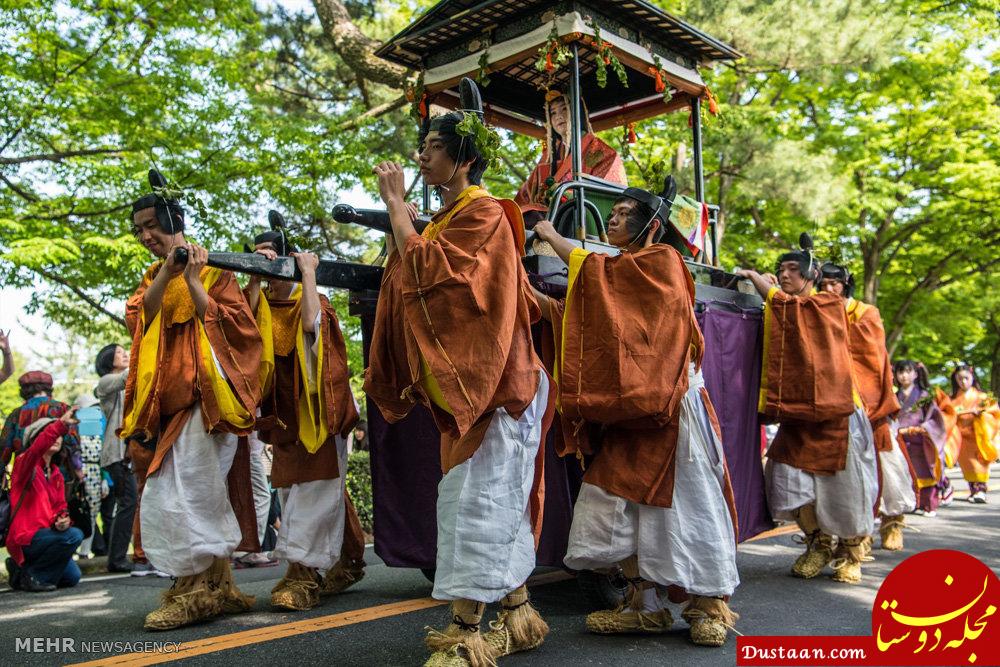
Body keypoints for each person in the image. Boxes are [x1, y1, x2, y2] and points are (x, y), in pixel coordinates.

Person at [365, 78, 552, 667]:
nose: (420, 157)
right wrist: (410, 225)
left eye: (431, 148)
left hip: (497, 382)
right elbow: (412, 276)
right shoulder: (448, 220)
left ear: (463, 158)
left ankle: (469, 629)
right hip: (472, 386)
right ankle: (519, 614)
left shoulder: (490, 213)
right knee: (488, 499)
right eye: (420, 148)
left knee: (479, 501)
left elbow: (446, 288)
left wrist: (398, 211)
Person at [531, 187, 740, 647]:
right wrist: (541, 304)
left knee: (690, 508)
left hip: (674, 409)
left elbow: (599, 272)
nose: (614, 219)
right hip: (634, 417)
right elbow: (597, 316)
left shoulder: (662, 261)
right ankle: (642, 606)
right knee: (611, 507)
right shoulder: (624, 269)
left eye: (625, 214)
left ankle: (709, 606)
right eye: (614, 212)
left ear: (651, 226)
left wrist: (549, 233)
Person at [120, 170, 263, 630]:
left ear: (173, 220)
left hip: (209, 405)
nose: (145, 236)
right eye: (138, 229)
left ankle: (194, 592)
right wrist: (170, 271)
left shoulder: (217, 271)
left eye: (151, 226)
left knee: (191, 496)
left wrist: (196, 279)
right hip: (171, 407)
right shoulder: (152, 277)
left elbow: (238, 328)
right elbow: (143, 319)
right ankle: (215, 586)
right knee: (183, 495)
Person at [737, 240, 877, 584]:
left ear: (811, 275)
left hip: (838, 413)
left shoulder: (828, 303)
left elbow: (793, 310)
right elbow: (783, 312)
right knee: (786, 478)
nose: (784, 276)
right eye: (781, 271)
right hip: (798, 413)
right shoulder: (786, 306)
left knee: (844, 488)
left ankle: (851, 552)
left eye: (793, 271)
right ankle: (818, 543)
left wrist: (763, 285)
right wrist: (767, 294)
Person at [243, 227, 362, 611]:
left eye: (271, 256)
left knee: (315, 492)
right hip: (281, 418)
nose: (267, 263)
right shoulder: (256, 302)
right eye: (257, 255)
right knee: (296, 492)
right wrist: (254, 276)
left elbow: (313, 325)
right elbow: (239, 336)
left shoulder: (312, 299)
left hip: (318, 412)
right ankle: (349, 561)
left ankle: (302, 576)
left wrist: (307, 273)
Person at [819, 263, 912, 552]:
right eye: (823, 283)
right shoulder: (817, 309)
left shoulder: (865, 312)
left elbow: (872, 358)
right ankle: (845, 532)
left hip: (868, 400)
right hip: (834, 400)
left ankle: (892, 520)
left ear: (846, 284)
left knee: (888, 464)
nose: (828, 288)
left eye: (834, 283)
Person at [514, 89, 626, 224]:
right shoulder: (548, 156)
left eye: (564, 109)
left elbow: (605, 195)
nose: (558, 116)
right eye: (553, 113)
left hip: (577, 218)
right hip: (544, 217)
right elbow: (525, 195)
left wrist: (565, 194)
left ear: (576, 112)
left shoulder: (601, 152)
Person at [4, 409, 83, 592]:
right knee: (74, 536)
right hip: (25, 537)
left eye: (58, 435)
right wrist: (60, 425)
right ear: (36, 439)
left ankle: (22, 572)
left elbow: (61, 507)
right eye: (47, 433)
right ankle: (35, 576)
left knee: (72, 577)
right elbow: (36, 450)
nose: (56, 438)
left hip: (47, 536)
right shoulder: (25, 463)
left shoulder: (56, 473)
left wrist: (63, 520)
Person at [94, 343, 140, 574]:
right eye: (120, 353)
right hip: (117, 453)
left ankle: (123, 556)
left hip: (128, 452)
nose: (126, 355)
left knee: (131, 503)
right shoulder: (105, 382)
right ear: (107, 359)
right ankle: (117, 559)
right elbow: (125, 378)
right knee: (128, 503)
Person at [2, 372, 84, 484]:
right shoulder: (64, 409)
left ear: (24, 391)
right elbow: (73, 443)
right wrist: (78, 469)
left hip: (26, 479)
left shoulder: (16, 414)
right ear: (49, 388)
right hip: (59, 477)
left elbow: (4, 449)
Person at [893, 360, 948, 516]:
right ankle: (915, 503)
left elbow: (935, 418)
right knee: (909, 472)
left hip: (922, 440)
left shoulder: (924, 395)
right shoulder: (894, 396)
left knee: (926, 469)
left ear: (915, 374)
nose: (904, 376)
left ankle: (929, 504)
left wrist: (925, 428)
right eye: (900, 372)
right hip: (902, 440)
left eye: (908, 372)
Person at [945, 364, 998, 503]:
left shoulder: (982, 397)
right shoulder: (952, 399)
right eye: (960, 379)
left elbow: (993, 413)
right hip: (961, 437)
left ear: (972, 378)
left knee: (979, 463)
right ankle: (974, 490)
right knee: (967, 465)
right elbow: (947, 414)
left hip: (978, 436)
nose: (963, 381)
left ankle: (981, 490)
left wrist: (981, 415)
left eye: (966, 378)